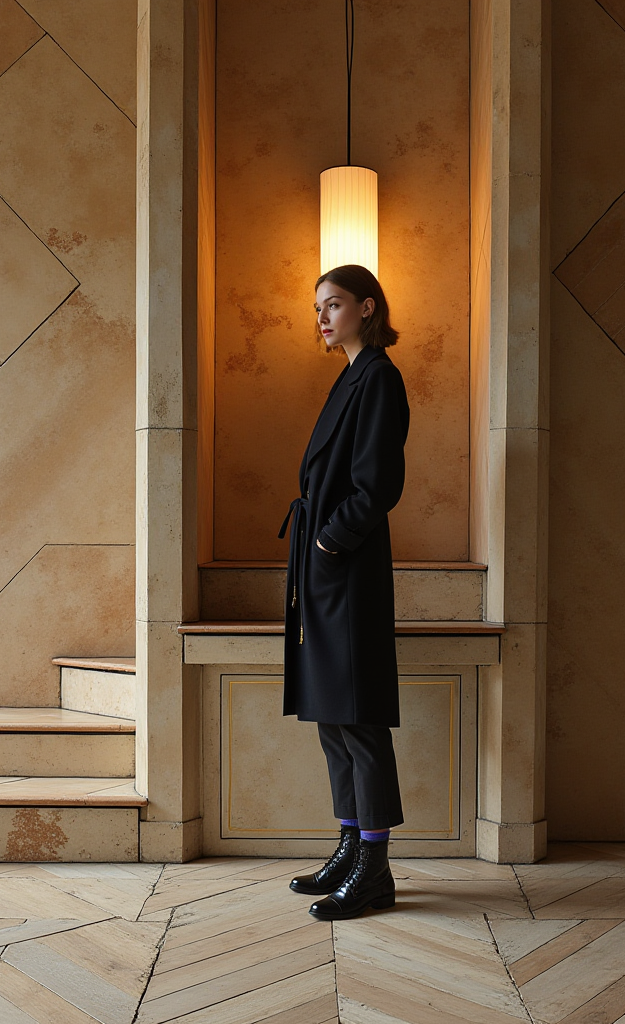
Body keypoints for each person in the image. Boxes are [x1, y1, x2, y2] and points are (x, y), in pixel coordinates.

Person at [277, 264, 410, 921]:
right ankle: (349, 845)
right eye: (317, 307)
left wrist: (329, 544)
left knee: (359, 720)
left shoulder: (380, 377)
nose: (323, 317)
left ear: (367, 306)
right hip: (326, 570)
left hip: (347, 572)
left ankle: (375, 870)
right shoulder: (350, 378)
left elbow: (377, 485)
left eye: (334, 304)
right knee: (332, 716)